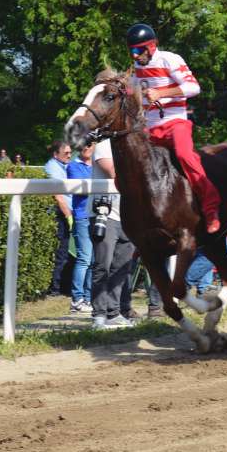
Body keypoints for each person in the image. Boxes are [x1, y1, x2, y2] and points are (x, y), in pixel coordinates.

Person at [126, 22, 221, 233]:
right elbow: (132, 93)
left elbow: (193, 87)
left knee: (185, 155)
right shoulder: (137, 68)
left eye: (137, 51)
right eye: (131, 51)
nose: (134, 56)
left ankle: (211, 206)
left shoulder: (170, 59)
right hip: (149, 128)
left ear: (151, 47)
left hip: (175, 123)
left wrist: (161, 93)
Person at [90, 135, 137, 329]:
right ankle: (99, 315)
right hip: (105, 213)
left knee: (122, 267)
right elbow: (115, 173)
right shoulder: (103, 145)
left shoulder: (132, 145)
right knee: (103, 265)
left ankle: (113, 312)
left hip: (127, 214)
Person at [66, 143, 95, 314]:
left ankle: (89, 298)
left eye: (90, 144)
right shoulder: (73, 166)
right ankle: (77, 299)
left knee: (93, 261)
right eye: (84, 145)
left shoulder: (97, 165)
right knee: (84, 259)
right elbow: (82, 189)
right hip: (82, 217)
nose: (87, 147)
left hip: (96, 216)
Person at [44, 140, 75, 296]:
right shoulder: (52, 168)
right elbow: (58, 196)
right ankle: (55, 288)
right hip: (59, 214)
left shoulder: (63, 166)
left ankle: (60, 286)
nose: (69, 156)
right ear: (56, 154)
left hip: (67, 212)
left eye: (70, 152)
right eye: (66, 153)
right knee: (61, 252)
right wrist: (69, 216)